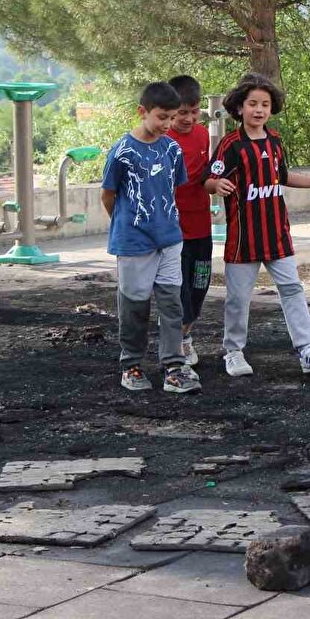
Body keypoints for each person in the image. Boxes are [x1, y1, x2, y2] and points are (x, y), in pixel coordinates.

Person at [204, 72, 310, 377]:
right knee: (239, 298)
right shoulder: (231, 145)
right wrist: (216, 185)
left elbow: (282, 176)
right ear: (239, 107)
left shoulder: (276, 140)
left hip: (277, 235)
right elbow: (209, 179)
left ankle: (307, 350)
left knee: (292, 289)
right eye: (252, 103)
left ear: (272, 108)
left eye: (265, 104)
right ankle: (234, 352)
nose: (259, 109)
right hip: (243, 238)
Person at [100, 82, 201, 394]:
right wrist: (128, 228)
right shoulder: (123, 152)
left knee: (172, 304)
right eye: (162, 117)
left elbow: (169, 188)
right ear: (142, 112)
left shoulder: (171, 148)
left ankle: (174, 367)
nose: (168, 124)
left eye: (172, 117)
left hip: (170, 239)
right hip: (134, 244)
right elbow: (108, 196)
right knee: (135, 307)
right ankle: (131, 365)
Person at [167, 75, 213, 368]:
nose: (188, 118)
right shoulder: (162, 141)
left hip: (202, 227)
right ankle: (177, 343)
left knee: (200, 285)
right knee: (178, 290)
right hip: (173, 231)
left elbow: (207, 174)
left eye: (194, 112)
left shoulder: (203, 136)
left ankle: (184, 333)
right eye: (182, 112)